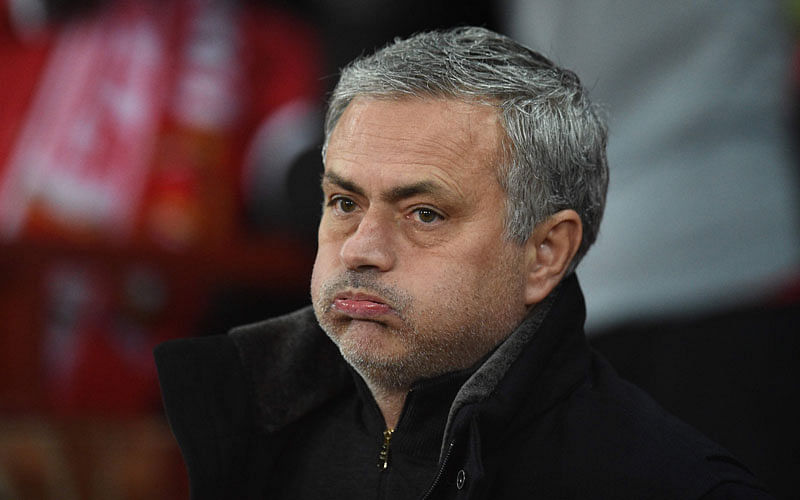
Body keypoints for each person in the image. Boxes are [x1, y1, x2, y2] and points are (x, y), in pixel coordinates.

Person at [154, 27, 771, 499]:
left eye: (424, 213)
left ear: (544, 253)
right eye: (344, 201)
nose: (361, 248)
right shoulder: (237, 421)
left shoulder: (669, 483)